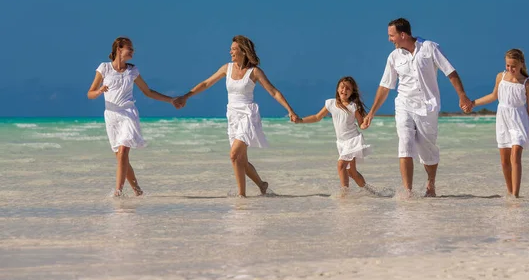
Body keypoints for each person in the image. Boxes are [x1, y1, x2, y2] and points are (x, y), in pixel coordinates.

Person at [174, 35, 299, 197]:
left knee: (234, 155)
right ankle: (262, 185)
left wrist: (290, 110)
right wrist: (186, 96)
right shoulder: (227, 68)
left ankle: (241, 196)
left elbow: (273, 91)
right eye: (231, 49)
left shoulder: (254, 72)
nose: (230, 51)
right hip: (232, 116)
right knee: (242, 161)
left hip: (248, 114)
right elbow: (206, 83)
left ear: (243, 51)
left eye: (234, 49)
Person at [361, 18, 471, 197]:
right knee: (404, 143)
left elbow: (450, 72)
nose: (390, 39)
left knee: (428, 150)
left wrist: (462, 95)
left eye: (392, 35)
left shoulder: (430, 48)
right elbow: (385, 86)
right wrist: (371, 112)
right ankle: (408, 192)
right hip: (404, 104)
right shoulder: (394, 57)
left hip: (428, 107)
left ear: (402, 34)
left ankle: (431, 183)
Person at [87, 37, 178, 196]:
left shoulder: (132, 70)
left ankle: (118, 192)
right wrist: (100, 90)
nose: (133, 51)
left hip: (128, 114)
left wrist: (170, 100)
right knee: (121, 159)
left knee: (123, 153)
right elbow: (90, 94)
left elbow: (148, 92)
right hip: (111, 116)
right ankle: (138, 191)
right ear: (119, 49)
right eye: (130, 48)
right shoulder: (104, 68)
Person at [463, 48, 529, 198]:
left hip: (520, 121)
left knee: (515, 156)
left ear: (521, 64)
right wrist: (473, 103)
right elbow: (493, 96)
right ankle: (509, 193)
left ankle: (516, 195)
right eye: (508, 65)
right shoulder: (500, 77)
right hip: (503, 120)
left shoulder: (526, 84)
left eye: (513, 66)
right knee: (504, 161)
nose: (510, 69)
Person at [295, 76, 372, 191]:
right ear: (337, 89)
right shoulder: (330, 103)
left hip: (352, 140)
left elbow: (360, 124)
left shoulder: (353, 106)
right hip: (341, 143)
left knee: (341, 165)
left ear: (352, 92)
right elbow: (317, 117)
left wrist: (364, 125)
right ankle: (370, 191)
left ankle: (344, 193)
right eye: (342, 87)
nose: (344, 90)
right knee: (351, 171)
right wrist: (300, 120)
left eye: (348, 89)